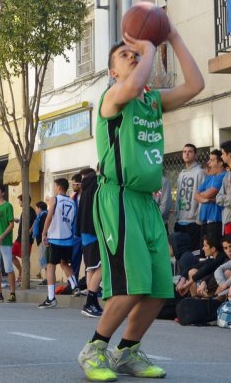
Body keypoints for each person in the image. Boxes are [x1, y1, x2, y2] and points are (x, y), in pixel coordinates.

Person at [77, 19, 204, 381]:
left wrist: (173, 37)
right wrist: (148, 47)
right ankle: (94, 349)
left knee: (160, 287)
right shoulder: (113, 97)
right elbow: (133, 85)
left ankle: (127, 351)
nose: (133, 57)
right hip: (117, 197)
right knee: (131, 285)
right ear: (112, 71)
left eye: (136, 53)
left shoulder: (151, 101)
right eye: (125, 54)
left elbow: (196, 85)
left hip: (147, 202)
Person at [38, 178, 79, 308]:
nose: (54, 188)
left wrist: (44, 233)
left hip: (55, 237)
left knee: (50, 266)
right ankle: (75, 286)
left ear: (59, 187)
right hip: (68, 238)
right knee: (64, 263)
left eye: (55, 186)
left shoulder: (54, 199)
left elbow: (49, 216)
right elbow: (73, 221)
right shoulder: (72, 202)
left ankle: (51, 298)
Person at [77, 167, 103, 318]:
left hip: (85, 233)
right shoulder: (98, 184)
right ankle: (90, 302)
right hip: (94, 232)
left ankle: (91, 302)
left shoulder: (84, 189)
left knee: (90, 269)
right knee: (102, 266)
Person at [174, 144, 206, 251]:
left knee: (193, 253)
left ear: (195, 155)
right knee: (179, 253)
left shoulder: (200, 172)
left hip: (193, 222)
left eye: (190, 151)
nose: (186, 154)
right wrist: (177, 216)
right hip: (180, 221)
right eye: (184, 151)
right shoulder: (181, 174)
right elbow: (178, 195)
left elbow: (203, 196)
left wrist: (199, 220)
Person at [195, 149, 226, 241]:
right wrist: (205, 199)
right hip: (205, 220)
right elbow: (195, 195)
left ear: (220, 163)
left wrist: (202, 195)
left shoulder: (224, 176)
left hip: (217, 220)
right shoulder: (210, 177)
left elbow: (211, 193)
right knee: (203, 248)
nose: (208, 162)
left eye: (212, 160)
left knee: (213, 247)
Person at [11, 194, 36, 285]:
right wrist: (19, 220)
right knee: (11, 255)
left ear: (24, 201)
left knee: (25, 258)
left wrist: (30, 231)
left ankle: (25, 276)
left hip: (27, 239)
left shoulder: (31, 210)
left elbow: (35, 221)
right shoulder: (24, 211)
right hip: (19, 238)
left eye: (20, 201)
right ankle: (21, 272)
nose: (19, 203)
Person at [32, 201, 49, 285]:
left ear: (40, 208)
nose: (36, 210)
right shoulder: (43, 215)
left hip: (44, 240)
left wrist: (43, 238)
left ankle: (48, 278)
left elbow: (43, 228)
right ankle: (47, 278)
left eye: (36, 208)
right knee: (45, 259)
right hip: (43, 240)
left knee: (45, 259)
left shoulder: (44, 215)